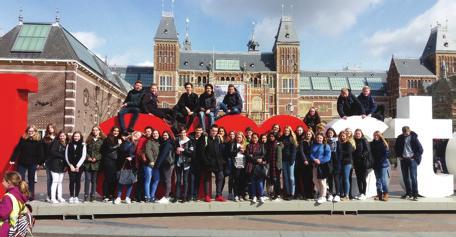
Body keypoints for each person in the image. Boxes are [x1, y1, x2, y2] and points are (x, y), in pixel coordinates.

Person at [10, 125, 43, 201]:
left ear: (35, 132)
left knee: (31, 179)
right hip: (22, 162)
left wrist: (40, 163)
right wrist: (13, 159)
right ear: (27, 131)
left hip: (33, 162)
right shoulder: (23, 139)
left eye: (32, 131)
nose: (30, 132)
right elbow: (17, 149)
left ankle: (31, 196)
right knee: (21, 179)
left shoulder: (38, 140)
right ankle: (22, 195)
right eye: (29, 131)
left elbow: (40, 152)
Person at [395, 126, 423, 201]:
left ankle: (415, 194)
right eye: (404, 133)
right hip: (403, 159)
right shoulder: (400, 138)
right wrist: (399, 156)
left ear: (409, 131)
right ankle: (408, 193)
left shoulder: (414, 138)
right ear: (402, 132)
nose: (406, 134)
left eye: (407, 132)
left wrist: (414, 157)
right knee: (405, 177)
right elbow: (396, 147)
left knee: (413, 177)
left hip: (412, 160)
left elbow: (420, 149)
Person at [114, 132, 141, 204]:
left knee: (131, 181)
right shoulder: (126, 142)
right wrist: (130, 141)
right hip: (124, 163)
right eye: (135, 135)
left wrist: (132, 157)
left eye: (138, 136)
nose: (136, 136)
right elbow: (123, 149)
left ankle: (127, 197)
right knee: (121, 181)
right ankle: (119, 197)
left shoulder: (139, 144)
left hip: (133, 164)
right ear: (132, 135)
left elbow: (139, 154)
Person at [0, 171, 29, 237]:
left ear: (9, 182)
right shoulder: (19, 193)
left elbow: (3, 214)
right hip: (17, 228)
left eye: (3, 180)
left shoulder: (8, 197)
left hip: (6, 229)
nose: (2, 183)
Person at [202, 125, 226, 202]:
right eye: (213, 131)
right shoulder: (205, 138)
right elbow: (202, 152)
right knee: (207, 179)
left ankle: (218, 195)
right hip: (208, 163)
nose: (214, 132)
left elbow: (222, 150)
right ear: (210, 131)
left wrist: (222, 142)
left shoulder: (218, 138)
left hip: (218, 163)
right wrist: (206, 161)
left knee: (220, 177)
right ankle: (207, 195)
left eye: (216, 131)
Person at [101, 127, 123, 202]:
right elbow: (110, 148)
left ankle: (111, 195)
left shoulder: (119, 139)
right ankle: (105, 195)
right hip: (109, 161)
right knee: (108, 179)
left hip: (116, 162)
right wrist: (118, 144)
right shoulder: (108, 139)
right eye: (114, 131)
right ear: (112, 131)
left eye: (117, 131)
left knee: (114, 180)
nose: (116, 132)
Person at [84, 126, 105, 202]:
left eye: (96, 130)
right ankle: (86, 196)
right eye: (93, 130)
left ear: (99, 131)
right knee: (87, 179)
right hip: (88, 164)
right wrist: (88, 157)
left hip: (97, 164)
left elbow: (103, 152)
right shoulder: (89, 140)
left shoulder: (102, 141)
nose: (95, 131)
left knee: (94, 180)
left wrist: (96, 158)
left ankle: (92, 196)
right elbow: (84, 151)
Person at [174, 127, 195, 203]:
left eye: (184, 132)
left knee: (185, 180)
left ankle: (185, 197)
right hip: (178, 163)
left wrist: (183, 150)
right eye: (181, 133)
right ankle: (177, 196)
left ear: (186, 133)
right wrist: (176, 151)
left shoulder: (190, 141)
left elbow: (192, 153)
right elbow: (174, 150)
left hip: (187, 163)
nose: (182, 134)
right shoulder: (177, 140)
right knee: (178, 180)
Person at [65, 131, 86, 204]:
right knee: (72, 181)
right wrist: (70, 165)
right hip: (71, 166)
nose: (76, 137)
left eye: (78, 136)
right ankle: (71, 196)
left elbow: (83, 156)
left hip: (79, 167)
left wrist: (78, 166)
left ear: (80, 137)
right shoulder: (69, 144)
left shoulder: (83, 145)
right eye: (75, 136)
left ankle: (76, 196)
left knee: (78, 181)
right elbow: (66, 156)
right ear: (73, 137)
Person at [310, 133, 331, 204]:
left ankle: (323, 196)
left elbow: (328, 156)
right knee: (315, 179)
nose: (319, 139)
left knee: (322, 181)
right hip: (315, 165)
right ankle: (321, 192)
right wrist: (314, 159)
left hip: (323, 165)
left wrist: (320, 161)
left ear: (323, 138)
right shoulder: (314, 145)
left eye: (320, 138)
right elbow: (311, 154)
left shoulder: (326, 146)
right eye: (318, 138)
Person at [48, 131, 68, 204]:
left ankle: (59, 197)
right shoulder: (55, 142)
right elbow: (52, 152)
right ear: (59, 137)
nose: (62, 137)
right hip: (55, 164)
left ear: (66, 136)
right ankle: (53, 198)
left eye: (63, 136)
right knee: (55, 181)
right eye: (61, 136)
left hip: (62, 165)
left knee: (60, 182)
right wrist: (63, 156)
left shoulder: (67, 144)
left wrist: (66, 165)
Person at [246, 133, 266, 204]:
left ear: (258, 138)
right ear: (251, 138)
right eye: (253, 138)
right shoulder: (248, 146)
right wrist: (256, 159)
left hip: (259, 166)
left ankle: (261, 196)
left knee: (260, 182)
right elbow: (248, 156)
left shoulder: (261, 145)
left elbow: (263, 155)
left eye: (256, 138)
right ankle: (254, 196)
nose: (255, 139)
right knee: (253, 182)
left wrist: (255, 157)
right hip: (251, 166)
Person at [371, 131, 390, 201]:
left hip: (383, 164)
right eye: (374, 135)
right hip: (375, 164)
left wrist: (380, 162)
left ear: (380, 136)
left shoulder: (383, 143)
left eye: (377, 135)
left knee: (383, 179)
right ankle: (379, 193)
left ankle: (385, 193)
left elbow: (386, 153)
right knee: (378, 180)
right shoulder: (372, 143)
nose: (376, 136)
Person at [353, 129, 371, 200]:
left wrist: (362, 155)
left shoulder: (364, 140)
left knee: (363, 178)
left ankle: (364, 193)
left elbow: (367, 150)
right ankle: (360, 192)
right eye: (356, 133)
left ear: (361, 134)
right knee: (358, 178)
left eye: (359, 133)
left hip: (363, 162)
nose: (357, 135)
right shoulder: (354, 141)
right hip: (356, 162)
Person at [134, 127, 152, 203]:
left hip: (152, 163)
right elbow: (138, 151)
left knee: (148, 180)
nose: (148, 132)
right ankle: (139, 197)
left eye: (149, 131)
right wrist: (142, 157)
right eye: (147, 131)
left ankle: (147, 196)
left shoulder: (152, 139)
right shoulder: (142, 139)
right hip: (143, 163)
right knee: (141, 180)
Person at [156, 131, 174, 204]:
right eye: (163, 135)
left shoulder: (167, 144)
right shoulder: (166, 143)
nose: (164, 136)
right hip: (167, 164)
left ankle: (166, 197)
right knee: (167, 180)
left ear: (169, 136)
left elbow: (163, 155)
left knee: (167, 180)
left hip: (167, 164)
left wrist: (157, 165)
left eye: (166, 135)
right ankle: (167, 195)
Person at [280, 126, 297, 200]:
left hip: (290, 161)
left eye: (288, 131)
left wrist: (292, 160)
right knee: (285, 177)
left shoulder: (292, 139)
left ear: (290, 131)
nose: (286, 132)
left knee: (291, 177)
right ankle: (287, 193)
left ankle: (292, 193)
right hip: (284, 160)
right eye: (285, 130)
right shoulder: (282, 138)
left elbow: (294, 150)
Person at [143, 129, 161, 202]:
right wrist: (151, 160)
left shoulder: (160, 142)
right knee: (148, 180)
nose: (155, 134)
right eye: (154, 133)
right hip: (149, 164)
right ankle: (147, 196)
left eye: (156, 133)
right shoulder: (149, 141)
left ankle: (152, 195)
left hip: (156, 165)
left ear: (158, 134)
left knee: (156, 179)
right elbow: (148, 151)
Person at [264, 132, 283, 201]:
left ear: (275, 137)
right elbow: (267, 155)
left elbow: (279, 156)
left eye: (272, 136)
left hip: (277, 165)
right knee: (272, 179)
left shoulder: (278, 144)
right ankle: (274, 193)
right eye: (270, 136)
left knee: (277, 180)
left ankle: (277, 194)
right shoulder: (269, 144)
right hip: (271, 164)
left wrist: (279, 165)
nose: (271, 137)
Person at [229, 132, 247, 202]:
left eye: (240, 137)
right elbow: (231, 153)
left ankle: (241, 195)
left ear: (242, 138)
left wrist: (244, 152)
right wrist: (238, 149)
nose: (238, 138)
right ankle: (236, 195)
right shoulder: (233, 144)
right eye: (237, 137)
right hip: (236, 163)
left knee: (242, 181)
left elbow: (248, 154)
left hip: (244, 164)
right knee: (236, 180)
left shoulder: (245, 144)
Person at [298, 129, 314, 200]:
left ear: (311, 135)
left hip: (312, 161)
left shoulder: (313, 142)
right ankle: (305, 194)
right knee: (305, 178)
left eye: (309, 134)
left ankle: (311, 193)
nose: (308, 135)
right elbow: (301, 152)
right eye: (307, 134)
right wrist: (305, 160)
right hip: (304, 162)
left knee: (311, 178)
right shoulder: (302, 142)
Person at [337, 131, 353, 201]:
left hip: (347, 163)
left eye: (343, 136)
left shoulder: (348, 143)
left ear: (346, 136)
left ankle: (346, 195)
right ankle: (341, 193)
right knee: (339, 179)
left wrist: (340, 153)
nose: (342, 137)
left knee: (346, 178)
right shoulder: (338, 143)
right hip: (340, 163)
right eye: (341, 136)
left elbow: (348, 153)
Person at [190, 126, 204, 201]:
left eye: (200, 130)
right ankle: (191, 195)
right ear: (195, 130)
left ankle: (195, 195)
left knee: (197, 180)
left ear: (202, 131)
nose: (199, 132)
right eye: (197, 130)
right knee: (191, 179)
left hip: (200, 163)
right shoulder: (191, 138)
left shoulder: (204, 139)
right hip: (191, 162)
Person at [42, 123, 56, 203]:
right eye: (49, 128)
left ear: (54, 128)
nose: (50, 129)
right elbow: (43, 151)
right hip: (48, 161)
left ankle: (55, 195)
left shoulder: (58, 137)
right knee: (49, 179)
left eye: (52, 127)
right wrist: (43, 161)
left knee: (56, 179)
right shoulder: (45, 139)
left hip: (57, 162)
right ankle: (49, 195)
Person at [326, 128, 340, 202]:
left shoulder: (337, 141)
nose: (330, 134)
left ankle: (337, 194)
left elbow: (340, 152)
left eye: (331, 133)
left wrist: (338, 161)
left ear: (333, 133)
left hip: (336, 162)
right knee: (330, 178)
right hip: (328, 162)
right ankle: (331, 193)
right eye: (329, 133)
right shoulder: (326, 141)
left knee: (336, 178)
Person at [224, 131, 236, 200]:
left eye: (233, 134)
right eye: (230, 134)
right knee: (231, 179)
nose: (231, 135)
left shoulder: (236, 142)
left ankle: (236, 193)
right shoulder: (227, 143)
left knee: (236, 179)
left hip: (237, 162)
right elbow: (229, 153)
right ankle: (230, 193)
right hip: (230, 163)